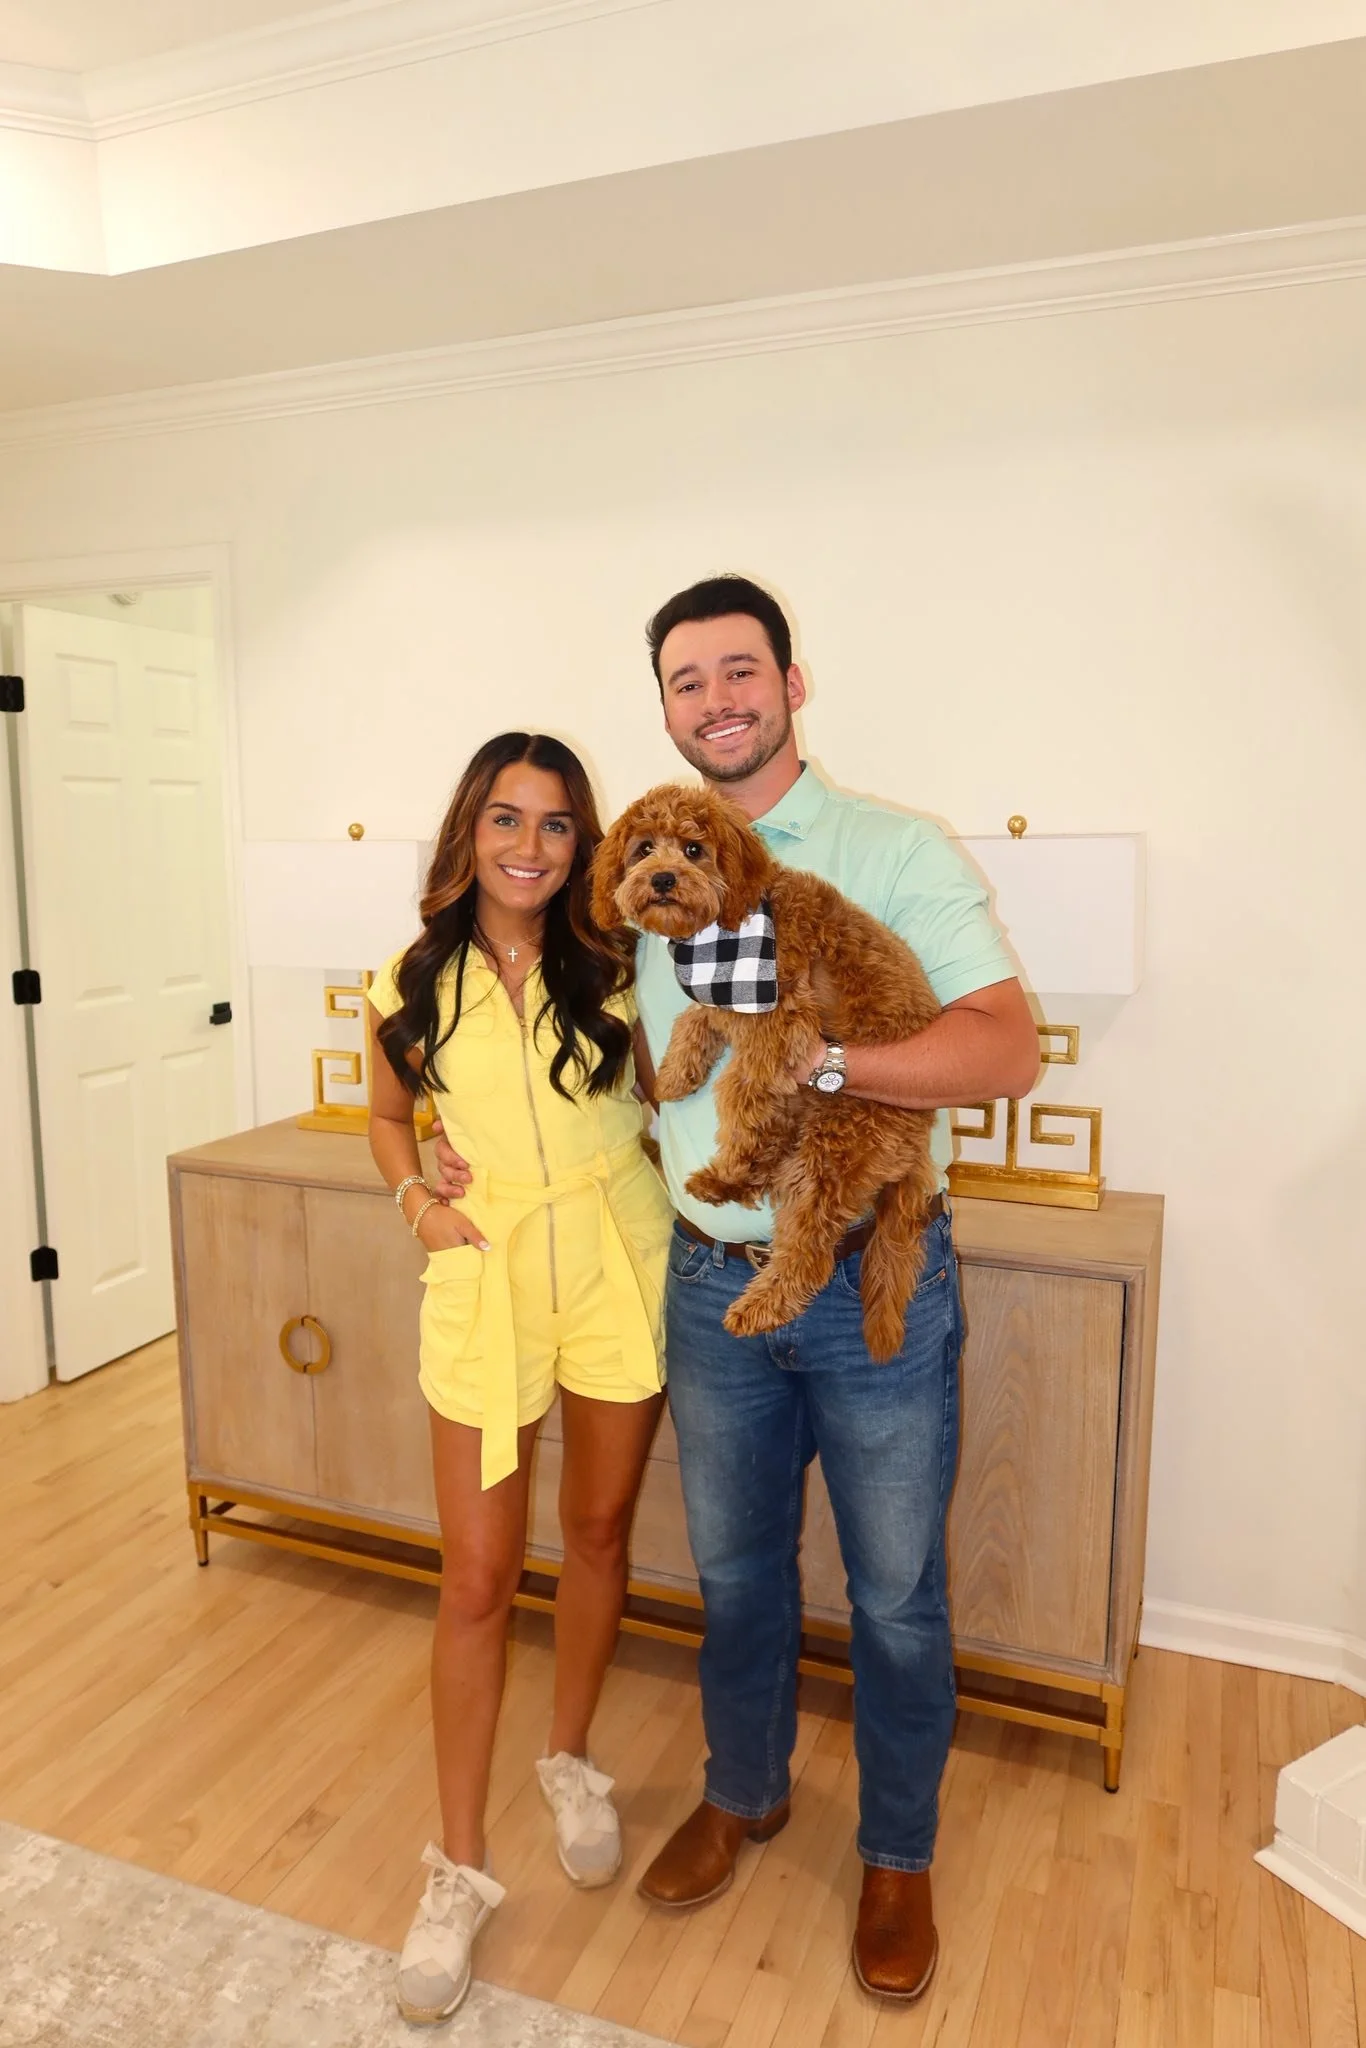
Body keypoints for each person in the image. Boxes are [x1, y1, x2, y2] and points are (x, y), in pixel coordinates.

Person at [433, 580, 1038, 2004]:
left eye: (738, 671)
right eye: (686, 681)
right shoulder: (643, 869)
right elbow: (533, 1013)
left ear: (791, 682)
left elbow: (1002, 1050)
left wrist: (819, 1061)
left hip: (857, 1275)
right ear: (662, 707)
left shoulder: (893, 851)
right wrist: (426, 1135)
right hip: (705, 1288)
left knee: (894, 1595)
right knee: (736, 1577)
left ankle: (896, 1855)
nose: (716, 699)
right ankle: (743, 1792)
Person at [368, 731, 673, 2027]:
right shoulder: (409, 974)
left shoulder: (623, 960)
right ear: (467, 829)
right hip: (485, 1268)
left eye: (555, 825)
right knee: (479, 1579)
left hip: (615, 1254)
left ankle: (568, 1760)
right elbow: (388, 1115)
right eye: (507, 819)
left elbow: (680, 1096)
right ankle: (457, 1871)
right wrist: (411, 1199)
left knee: (597, 1531)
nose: (529, 848)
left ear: (582, 842)